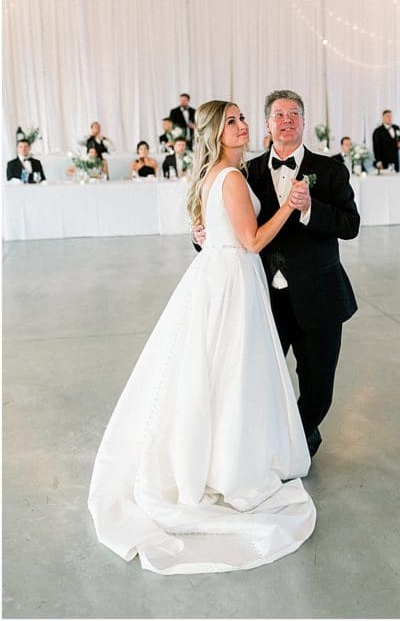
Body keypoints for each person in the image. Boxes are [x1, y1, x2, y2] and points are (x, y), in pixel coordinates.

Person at [88, 100, 315, 575]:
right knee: (232, 371)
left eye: (242, 118)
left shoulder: (218, 175)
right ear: (215, 133)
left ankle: (214, 453)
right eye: (231, 121)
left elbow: (220, 231)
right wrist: (290, 208)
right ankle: (229, 463)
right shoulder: (230, 178)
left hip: (219, 274)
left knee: (215, 371)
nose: (242, 125)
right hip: (233, 279)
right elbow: (253, 241)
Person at [196, 89, 359, 458]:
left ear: (303, 122)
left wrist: (310, 208)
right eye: (279, 115)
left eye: (294, 114)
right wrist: (200, 235)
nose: (287, 120)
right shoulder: (244, 172)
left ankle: (296, 443)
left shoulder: (331, 170)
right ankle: (272, 447)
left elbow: (351, 225)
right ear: (267, 125)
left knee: (318, 388)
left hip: (318, 297)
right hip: (261, 299)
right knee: (257, 381)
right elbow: (229, 228)